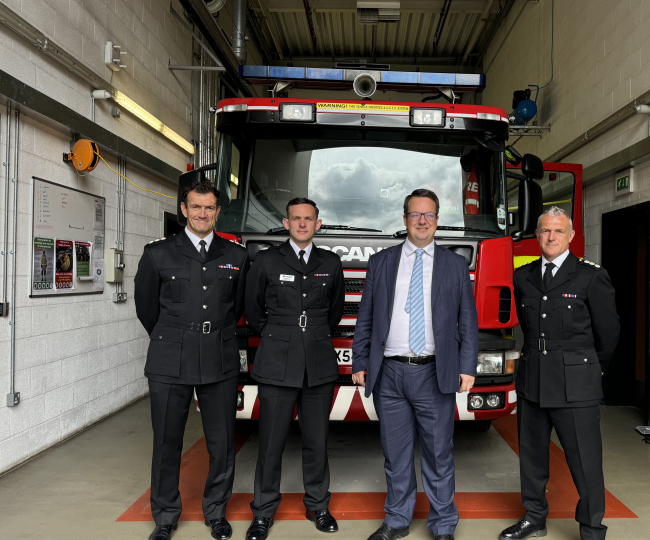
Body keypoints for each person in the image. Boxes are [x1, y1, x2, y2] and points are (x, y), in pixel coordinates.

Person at [351, 188, 478, 540]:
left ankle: (442, 525)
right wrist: (360, 360)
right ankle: (396, 520)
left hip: (434, 373)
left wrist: (467, 366)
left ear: (437, 220)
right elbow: (366, 317)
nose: (422, 221)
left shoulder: (454, 264)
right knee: (396, 455)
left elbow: (467, 320)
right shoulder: (382, 262)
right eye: (415, 214)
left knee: (439, 454)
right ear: (405, 218)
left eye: (429, 215)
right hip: (389, 373)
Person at [134, 181, 250, 540]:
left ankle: (216, 511)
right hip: (170, 357)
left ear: (218, 212)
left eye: (210, 208)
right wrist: (178, 334)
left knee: (221, 441)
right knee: (167, 441)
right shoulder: (158, 254)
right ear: (184, 209)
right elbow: (147, 309)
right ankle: (165, 517)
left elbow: (239, 307)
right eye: (196, 207)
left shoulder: (236, 256)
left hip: (219, 355)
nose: (202, 214)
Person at [498, 206, 619, 540]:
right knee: (532, 457)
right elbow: (526, 327)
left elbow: (608, 335)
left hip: (576, 384)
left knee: (585, 460)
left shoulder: (591, 276)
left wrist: (591, 371)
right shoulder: (523, 276)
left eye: (558, 231)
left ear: (571, 236)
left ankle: (592, 527)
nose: (551, 237)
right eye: (545, 231)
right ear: (537, 235)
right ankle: (534, 517)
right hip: (533, 379)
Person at [244, 197, 345, 540]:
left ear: (318, 224)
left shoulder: (330, 263)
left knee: (316, 441)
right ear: (285, 223)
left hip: (317, 362)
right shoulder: (267, 260)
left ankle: (318, 505)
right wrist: (279, 336)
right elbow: (253, 310)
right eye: (295, 219)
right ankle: (263, 512)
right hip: (276, 362)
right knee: (271, 442)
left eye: (308, 219)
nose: (302, 224)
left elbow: (334, 312)